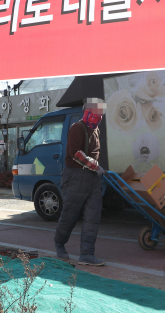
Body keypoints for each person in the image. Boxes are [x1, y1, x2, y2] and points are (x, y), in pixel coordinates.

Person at [54, 97, 106, 266]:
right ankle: (59, 244)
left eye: (101, 114)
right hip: (75, 176)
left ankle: (87, 254)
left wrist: (96, 169)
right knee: (70, 214)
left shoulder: (95, 130)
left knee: (93, 217)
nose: (99, 117)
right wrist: (95, 166)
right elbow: (75, 154)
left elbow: (95, 154)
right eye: (96, 113)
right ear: (87, 112)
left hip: (92, 179)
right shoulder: (77, 128)